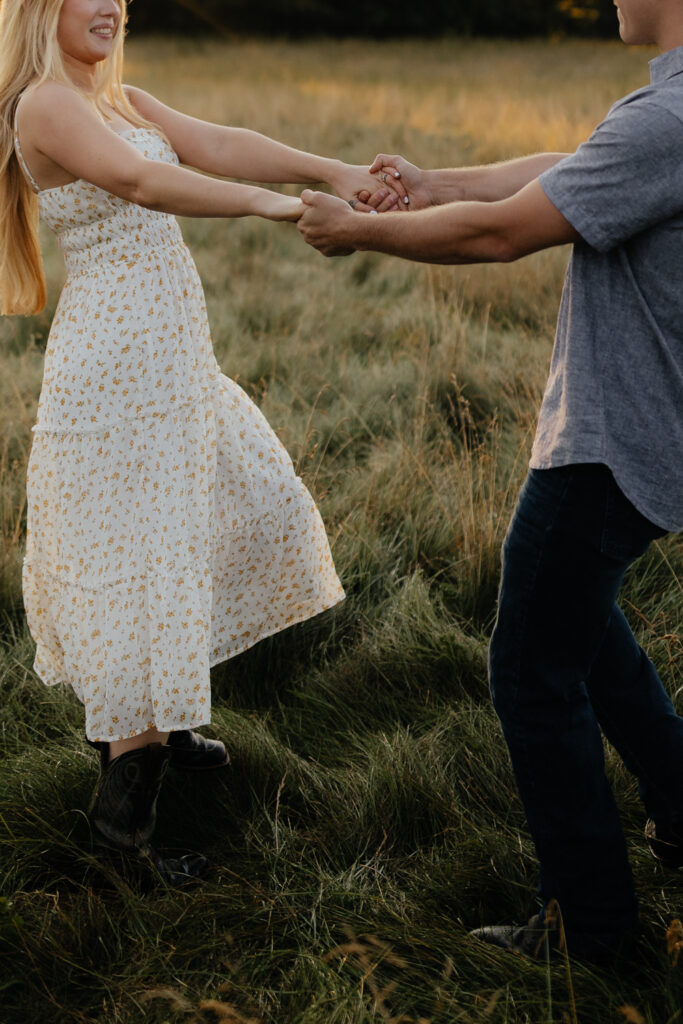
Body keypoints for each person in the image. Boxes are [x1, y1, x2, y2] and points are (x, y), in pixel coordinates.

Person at [298, 0, 683, 962]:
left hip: (614, 444)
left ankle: (590, 930)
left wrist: (361, 232)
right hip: (647, 435)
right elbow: (568, 166)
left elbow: (502, 236)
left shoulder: (667, 120)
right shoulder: (660, 116)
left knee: (529, 670)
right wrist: (430, 184)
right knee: (585, 634)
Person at [0, 0, 408, 883]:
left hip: (170, 358)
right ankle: (123, 841)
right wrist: (274, 209)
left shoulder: (118, 97)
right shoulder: (43, 103)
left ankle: (169, 715)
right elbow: (144, 185)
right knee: (138, 562)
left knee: (229, 512)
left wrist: (332, 171)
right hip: (117, 372)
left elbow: (216, 142)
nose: (110, 6)